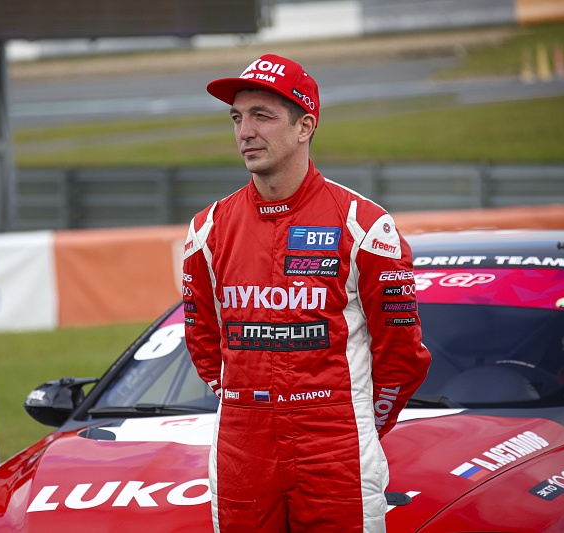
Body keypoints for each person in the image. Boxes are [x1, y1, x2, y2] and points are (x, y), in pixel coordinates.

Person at [182, 54, 432, 533]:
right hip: (241, 443)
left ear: (305, 127)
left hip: (335, 445)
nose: (245, 132)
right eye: (237, 117)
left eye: (262, 116)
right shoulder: (207, 229)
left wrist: (357, 422)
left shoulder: (363, 225)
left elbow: (402, 354)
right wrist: (249, 402)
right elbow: (204, 344)